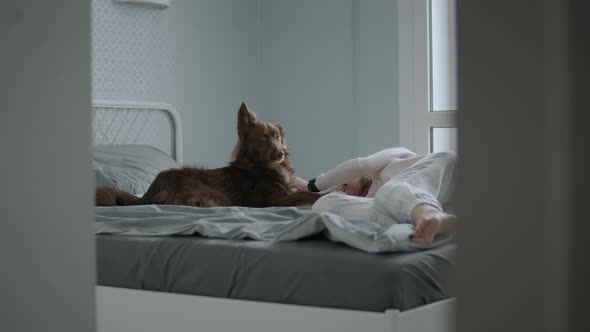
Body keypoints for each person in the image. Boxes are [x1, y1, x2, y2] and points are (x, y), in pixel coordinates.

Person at [292, 147, 457, 245]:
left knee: (390, 190)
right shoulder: (378, 200)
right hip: (436, 205)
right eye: (340, 190)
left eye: (341, 181)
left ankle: (430, 214)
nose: (341, 187)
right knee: (323, 205)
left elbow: (361, 164)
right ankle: (433, 224)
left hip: (445, 170)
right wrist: (332, 197)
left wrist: (311, 186)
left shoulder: (395, 159)